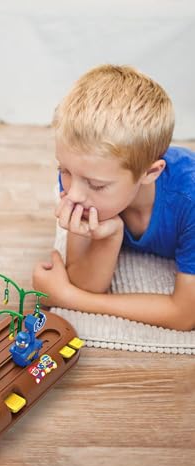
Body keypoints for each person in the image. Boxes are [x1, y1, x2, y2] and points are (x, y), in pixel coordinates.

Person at [32, 64, 195, 331]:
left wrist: (69, 298)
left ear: (150, 173)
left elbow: (186, 314)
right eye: (64, 170)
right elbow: (86, 281)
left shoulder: (189, 201)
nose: (73, 194)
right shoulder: (82, 175)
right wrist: (109, 236)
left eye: (96, 185)